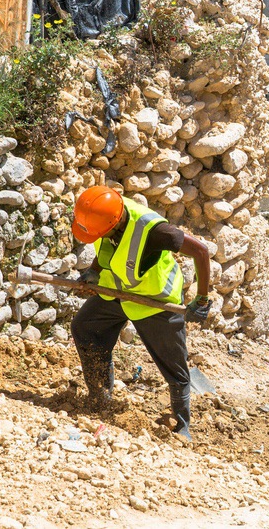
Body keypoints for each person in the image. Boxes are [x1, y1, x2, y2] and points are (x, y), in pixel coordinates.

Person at [70, 185, 213, 440]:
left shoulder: (156, 231)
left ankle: (182, 426)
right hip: (117, 291)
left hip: (155, 301)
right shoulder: (106, 210)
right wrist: (94, 271)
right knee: (86, 326)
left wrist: (201, 300)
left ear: (116, 220)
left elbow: (201, 251)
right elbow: (109, 245)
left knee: (174, 366)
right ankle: (101, 399)